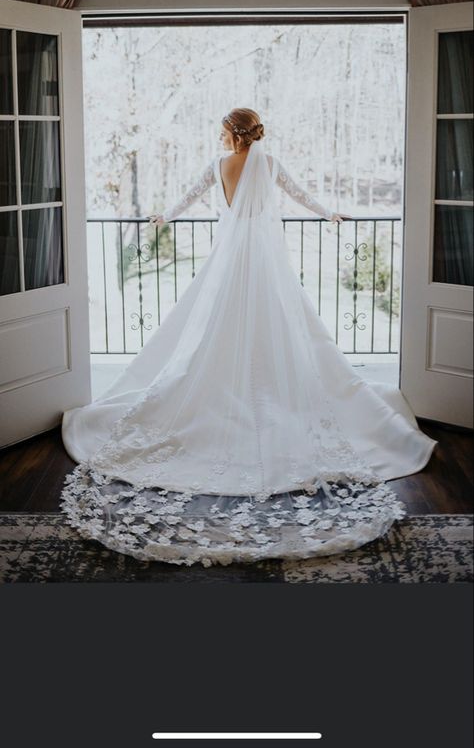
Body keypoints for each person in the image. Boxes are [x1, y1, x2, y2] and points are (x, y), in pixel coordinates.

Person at [60, 108, 437, 567]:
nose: (218, 138)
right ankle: (269, 388)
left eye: (221, 131)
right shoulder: (270, 163)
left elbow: (188, 196)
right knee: (281, 324)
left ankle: (226, 386)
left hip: (228, 261)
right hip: (266, 262)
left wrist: (166, 216)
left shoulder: (219, 167)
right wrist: (327, 213)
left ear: (233, 135)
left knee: (213, 326)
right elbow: (299, 195)